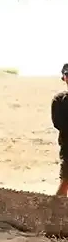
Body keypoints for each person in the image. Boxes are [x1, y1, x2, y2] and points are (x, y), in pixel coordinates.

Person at [52, 63, 68, 196]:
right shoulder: (59, 100)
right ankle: (56, 215)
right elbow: (59, 124)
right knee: (65, 182)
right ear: (63, 78)